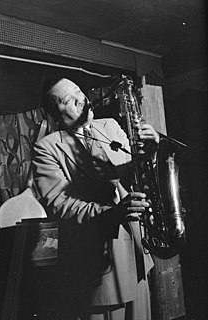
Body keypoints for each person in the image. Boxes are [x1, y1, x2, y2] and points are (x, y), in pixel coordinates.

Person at [32, 78, 160, 320]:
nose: (82, 100)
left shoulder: (110, 125)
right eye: (69, 100)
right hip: (100, 269)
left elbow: (134, 173)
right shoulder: (45, 148)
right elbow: (61, 205)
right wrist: (111, 214)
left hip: (138, 251)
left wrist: (151, 152)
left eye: (79, 92)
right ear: (55, 115)